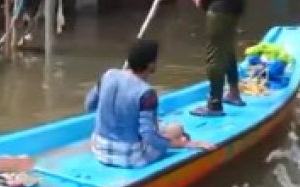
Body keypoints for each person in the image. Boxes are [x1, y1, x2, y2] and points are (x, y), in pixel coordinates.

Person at [84, 39, 215, 168]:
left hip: (98, 148)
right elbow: (149, 136)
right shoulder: (146, 93)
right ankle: (178, 138)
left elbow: (89, 105)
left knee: (163, 127)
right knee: (176, 129)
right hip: (129, 156)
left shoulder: (108, 75)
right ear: (151, 64)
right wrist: (183, 144)